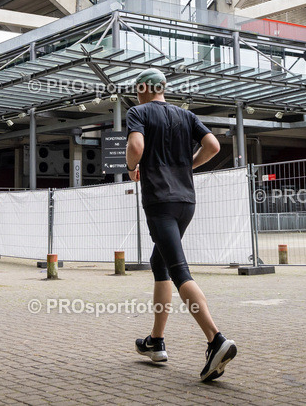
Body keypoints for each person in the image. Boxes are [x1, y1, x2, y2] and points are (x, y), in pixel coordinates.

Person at [125, 68, 236, 383]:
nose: (136, 95)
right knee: (159, 262)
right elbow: (213, 146)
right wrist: (189, 164)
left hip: (159, 200)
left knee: (178, 269)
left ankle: (215, 339)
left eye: (137, 89)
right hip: (186, 201)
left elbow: (135, 148)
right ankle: (155, 342)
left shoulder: (139, 112)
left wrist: (132, 167)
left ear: (145, 89)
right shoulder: (186, 116)